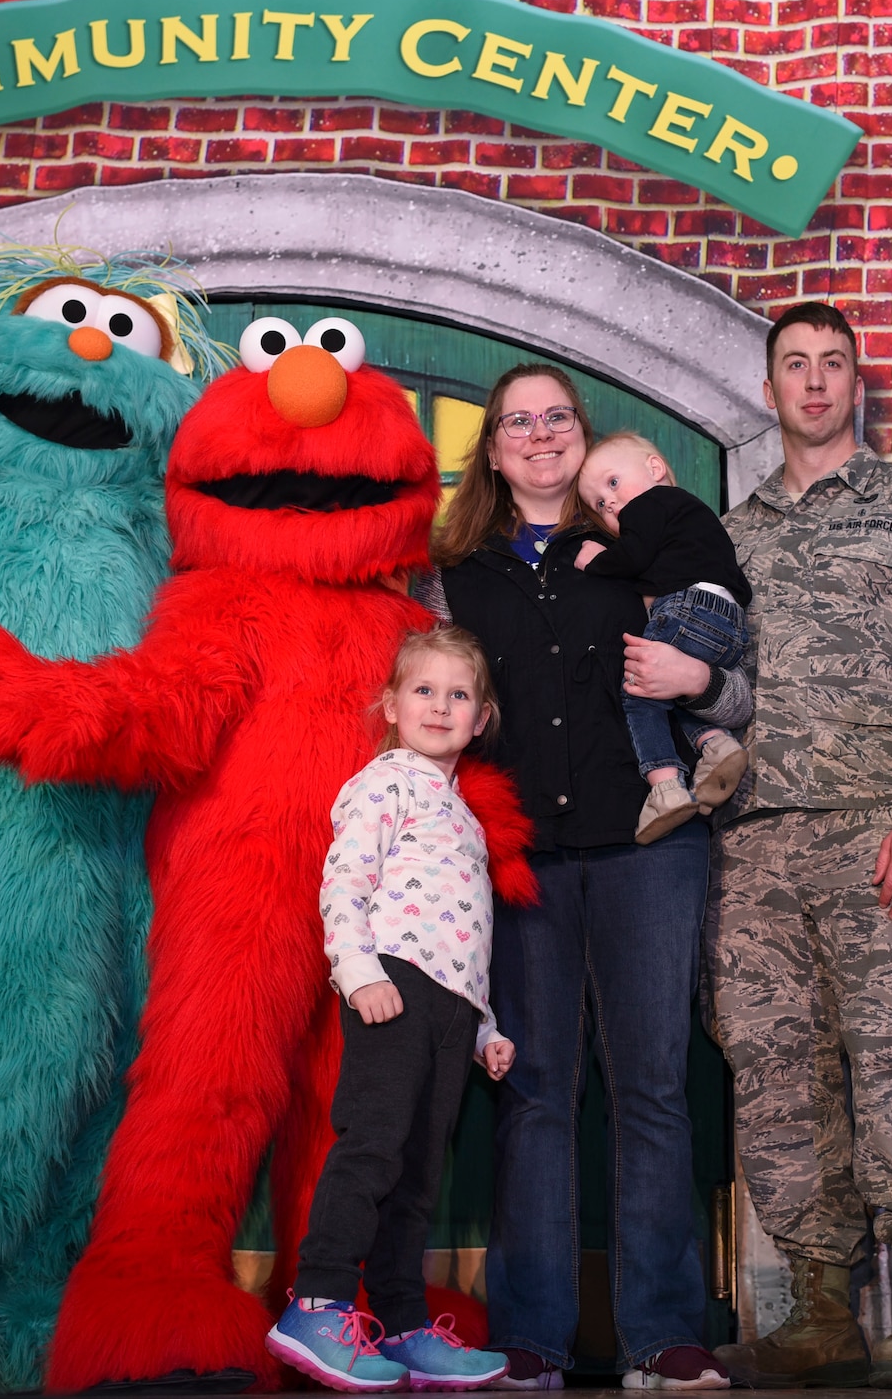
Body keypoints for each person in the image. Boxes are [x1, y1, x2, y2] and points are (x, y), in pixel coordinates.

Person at [418, 362, 743, 1392]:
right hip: (518, 859)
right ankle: (530, 1341)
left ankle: (664, 1336)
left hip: (648, 844)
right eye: (517, 420)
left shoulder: (641, 541)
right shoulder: (454, 568)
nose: (540, 433)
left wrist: (707, 684)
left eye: (556, 416)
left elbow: (732, 681)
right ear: (492, 445)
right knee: (535, 1094)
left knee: (651, 1088)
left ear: (581, 432)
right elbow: (422, 701)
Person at [709, 302, 892, 1390]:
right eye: (795, 365)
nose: (815, 382)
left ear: (853, 384)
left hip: (880, 827)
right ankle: (819, 1307)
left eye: (833, 364)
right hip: (752, 847)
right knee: (772, 1069)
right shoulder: (729, 539)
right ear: (770, 387)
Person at [268, 628, 517, 1394]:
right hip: (391, 989)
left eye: (459, 694)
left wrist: (484, 1030)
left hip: (449, 1010)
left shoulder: (467, 820)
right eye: (423, 690)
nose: (440, 706)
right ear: (391, 706)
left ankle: (403, 1325)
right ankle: (317, 1305)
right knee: (373, 1148)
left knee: (417, 1172)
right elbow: (343, 884)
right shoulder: (384, 783)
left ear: (482, 719)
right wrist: (356, 970)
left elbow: (468, 939)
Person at [574, 431, 752, 843]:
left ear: (654, 469)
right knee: (673, 692)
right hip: (728, 620)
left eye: (613, 483)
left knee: (641, 689)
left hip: (688, 606)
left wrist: (596, 561)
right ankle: (716, 744)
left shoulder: (649, 505)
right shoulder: (690, 516)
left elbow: (632, 557)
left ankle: (665, 787)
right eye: (599, 504)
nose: (610, 502)